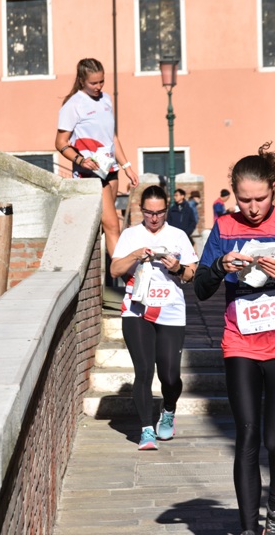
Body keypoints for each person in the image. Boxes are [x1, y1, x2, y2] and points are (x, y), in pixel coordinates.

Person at [193, 142, 275, 535]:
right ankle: (249, 528)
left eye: (260, 199)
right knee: (247, 434)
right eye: (244, 200)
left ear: (274, 189)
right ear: (234, 195)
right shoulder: (223, 229)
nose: (252, 208)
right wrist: (219, 266)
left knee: (274, 438)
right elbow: (201, 289)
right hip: (240, 341)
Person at [109, 185, 198, 450]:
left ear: (166, 210)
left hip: (170, 310)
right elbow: (114, 270)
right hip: (137, 309)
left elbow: (192, 274)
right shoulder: (130, 235)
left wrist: (177, 267)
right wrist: (136, 254)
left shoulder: (178, 236)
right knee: (144, 370)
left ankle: (168, 410)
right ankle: (146, 429)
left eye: (159, 212)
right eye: (149, 213)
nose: (154, 218)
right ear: (141, 210)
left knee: (170, 375)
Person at [56, 58, 138, 257]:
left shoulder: (106, 99)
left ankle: (95, 267)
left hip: (111, 170)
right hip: (90, 174)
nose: (98, 87)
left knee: (101, 227)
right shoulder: (73, 105)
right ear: (82, 80)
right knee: (112, 226)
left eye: (102, 81)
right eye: (93, 83)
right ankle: (123, 271)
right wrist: (80, 161)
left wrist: (127, 167)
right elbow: (60, 143)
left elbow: (112, 138)